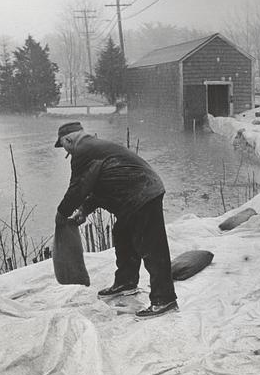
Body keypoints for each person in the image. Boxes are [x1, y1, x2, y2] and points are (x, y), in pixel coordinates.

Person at [54, 121, 178, 319]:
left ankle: (165, 299)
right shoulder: (93, 147)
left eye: (64, 147)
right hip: (135, 195)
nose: (66, 152)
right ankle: (126, 282)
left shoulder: (84, 150)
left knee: (152, 247)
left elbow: (78, 188)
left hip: (142, 194)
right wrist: (85, 210)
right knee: (122, 234)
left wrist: (61, 214)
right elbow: (97, 186)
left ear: (69, 139)